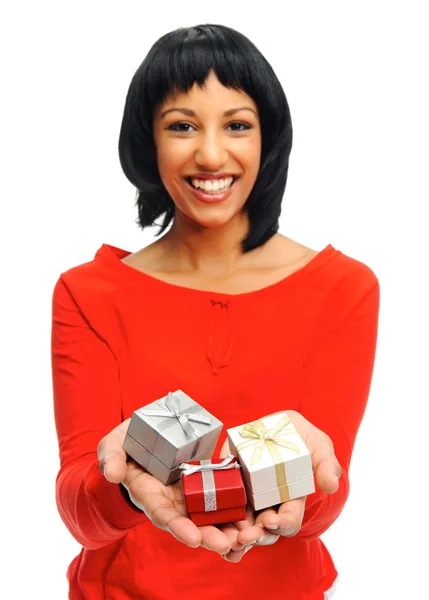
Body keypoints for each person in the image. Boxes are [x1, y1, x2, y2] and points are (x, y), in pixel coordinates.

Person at [51, 23, 380, 600]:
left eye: (237, 125)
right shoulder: (89, 293)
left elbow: (327, 498)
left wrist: (303, 487)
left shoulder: (343, 289)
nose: (209, 154)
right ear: (147, 142)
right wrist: (126, 483)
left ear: (267, 138)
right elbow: (81, 513)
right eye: (182, 126)